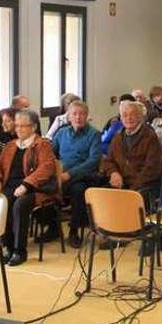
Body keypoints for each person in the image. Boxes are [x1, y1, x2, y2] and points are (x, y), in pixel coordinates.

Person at [0, 110, 58, 267]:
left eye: (23, 126)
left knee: (20, 205)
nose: (18, 129)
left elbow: (46, 168)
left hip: (35, 189)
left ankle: (20, 251)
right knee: (2, 202)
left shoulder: (42, 145)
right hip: (11, 186)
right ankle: (7, 246)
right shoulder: (10, 145)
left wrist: (27, 184)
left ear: (33, 127)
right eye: (17, 126)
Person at [51, 100, 104, 248]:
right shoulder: (61, 133)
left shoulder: (94, 134)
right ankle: (52, 228)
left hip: (84, 177)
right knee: (43, 186)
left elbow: (93, 161)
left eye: (82, 114)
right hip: (61, 176)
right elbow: (51, 154)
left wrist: (70, 174)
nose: (78, 117)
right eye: (74, 114)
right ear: (69, 116)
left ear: (87, 116)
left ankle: (74, 231)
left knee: (78, 190)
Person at [101, 100, 162, 196]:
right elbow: (108, 161)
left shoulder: (150, 137)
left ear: (139, 117)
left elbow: (152, 169)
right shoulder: (118, 137)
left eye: (132, 114)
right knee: (101, 196)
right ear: (121, 118)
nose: (129, 118)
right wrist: (114, 173)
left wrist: (133, 188)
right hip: (122, 183)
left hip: (144, 185)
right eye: (125, 115)